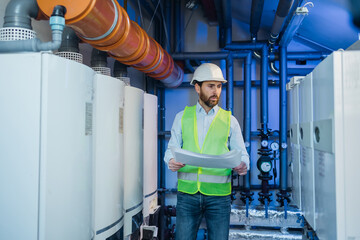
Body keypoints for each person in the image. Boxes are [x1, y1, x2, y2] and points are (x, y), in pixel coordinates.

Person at [164, 63, 250, 240]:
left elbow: (242, 155)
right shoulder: (182, 117)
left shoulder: (230, 120)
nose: (216, 91)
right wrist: (171, 161)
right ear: (197, 87)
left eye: (219, 86)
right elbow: (170, 150)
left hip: (219, 197)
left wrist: (243, 165)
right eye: (211, 86)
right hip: (188, 196)